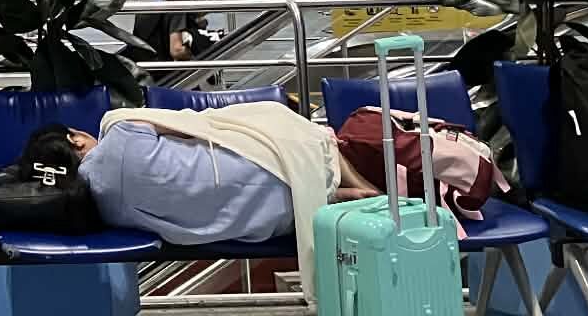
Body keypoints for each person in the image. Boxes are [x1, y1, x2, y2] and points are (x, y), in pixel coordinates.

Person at [19, 103, 378, 271]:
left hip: (276, 220)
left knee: (244, 186)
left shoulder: (106, 213)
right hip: (284, 170)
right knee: (298, 132)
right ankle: (373, 196)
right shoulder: (120, 132)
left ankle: (332, 194)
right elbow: (200, 125)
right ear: (76, 139)